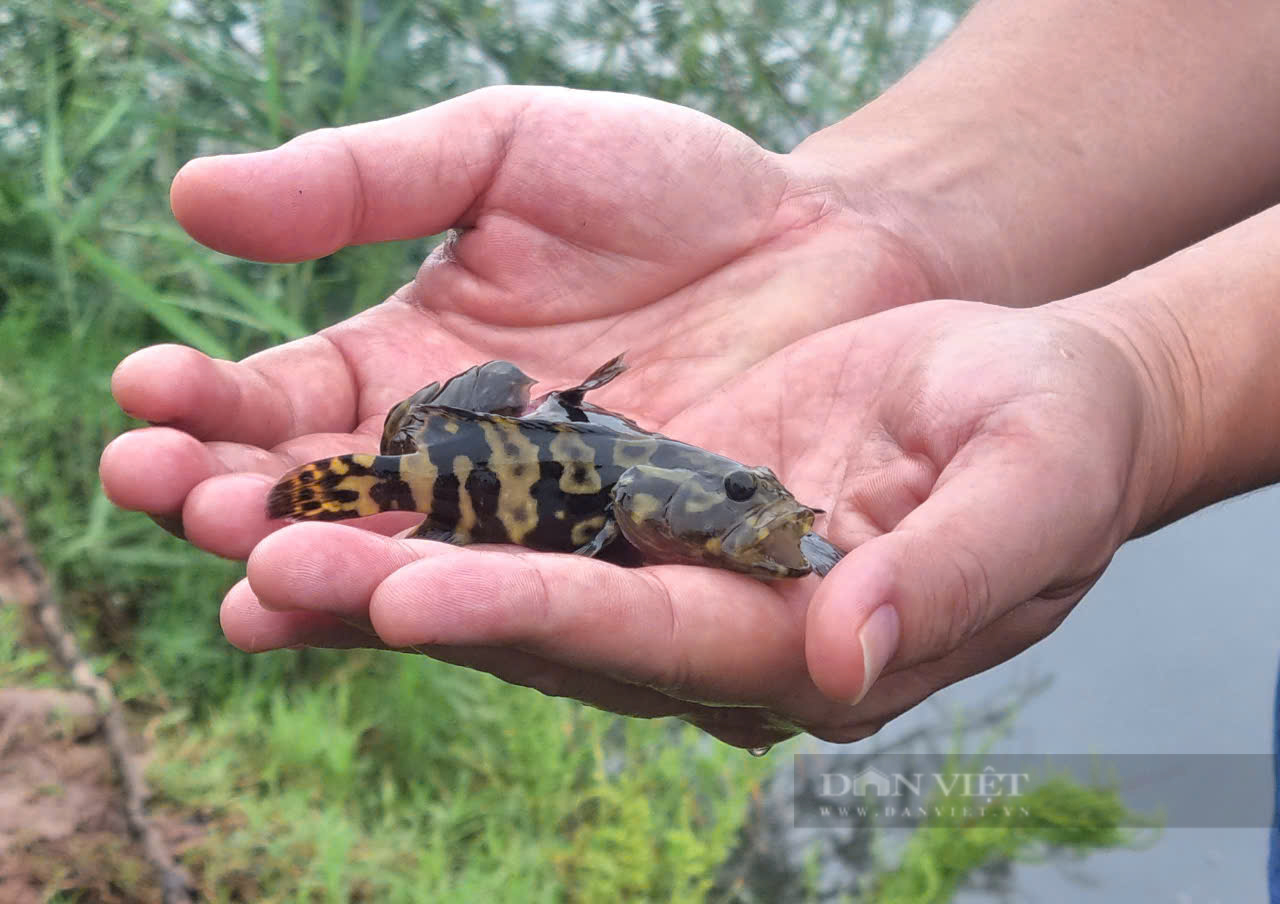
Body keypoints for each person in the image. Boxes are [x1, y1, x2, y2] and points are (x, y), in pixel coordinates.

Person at [99, 0, 1280, 859]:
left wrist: (1159, 377)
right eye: (740, 495)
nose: (768, 514)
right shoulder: (629, 489)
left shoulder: (651, 491)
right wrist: (880, 222)